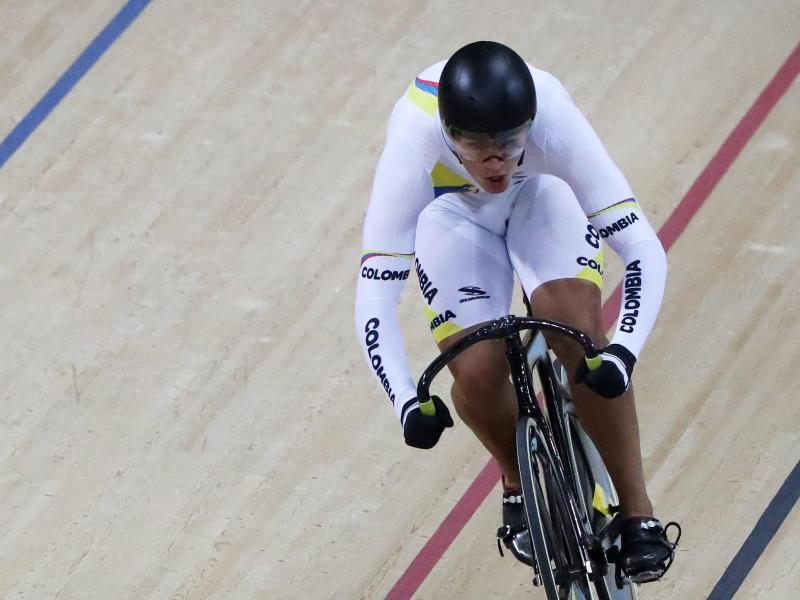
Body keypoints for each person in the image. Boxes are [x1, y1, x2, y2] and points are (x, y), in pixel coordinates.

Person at [355, 40, 677, 582]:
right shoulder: (415, 132)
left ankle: (637, 515)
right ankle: (517, 481)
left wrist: (621, 352)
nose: (495, 159)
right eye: (477, 147)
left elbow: (643, 248)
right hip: (451, 215)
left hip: (541, 196)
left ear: (529, 123)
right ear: (447, 132)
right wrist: (406, 402)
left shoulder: (551, 111)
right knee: (477, 371)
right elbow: (375, 295)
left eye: (508, 142)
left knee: (574, 327)